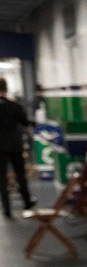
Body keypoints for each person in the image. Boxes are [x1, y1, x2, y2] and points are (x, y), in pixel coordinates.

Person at [0, 78, 35, 219]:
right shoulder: (15, 106)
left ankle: (7, 208)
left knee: (1, 177)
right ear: (6, 89)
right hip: (15, 145)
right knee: (20, 174)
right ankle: (27, 201)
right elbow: (25, 123)